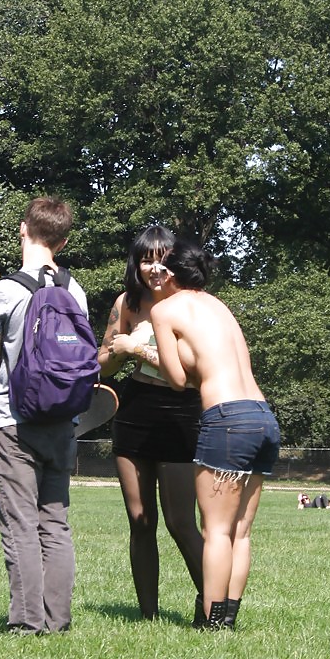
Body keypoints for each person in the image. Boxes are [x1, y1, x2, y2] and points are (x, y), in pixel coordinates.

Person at [150, 239, 280, 631]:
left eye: (161, 268)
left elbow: (175, 379)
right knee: (240, 531)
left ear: (171, 273)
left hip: (226, 420)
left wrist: (138, 351)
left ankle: (211, 621)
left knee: (216, 530)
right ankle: (228, 618)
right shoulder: (219, 306)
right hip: (262, 418)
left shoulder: (164, 309)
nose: (155, 273)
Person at [0, 196, 88, 635]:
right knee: (55, 523)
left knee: (21, 525)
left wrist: (6, 394)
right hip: (63, 423)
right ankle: (57, 621)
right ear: (62, 241)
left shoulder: (4, 291)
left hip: (15, 423)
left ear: (23, 229)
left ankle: (26, 622)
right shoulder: (74, 290)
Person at [97, 226, 203, 621]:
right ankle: (148, 616)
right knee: (141, 521)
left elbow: (194, 374)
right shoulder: (128, 302)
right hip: (135, 411)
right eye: (146, 258)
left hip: (181, 414)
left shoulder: (193, 303)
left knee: (179, 521)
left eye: (161, 257)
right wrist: (119, 352)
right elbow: (103, 364)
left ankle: (213, 604)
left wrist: (139, 348)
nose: (154, 267)